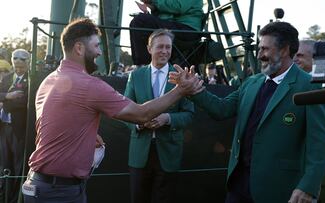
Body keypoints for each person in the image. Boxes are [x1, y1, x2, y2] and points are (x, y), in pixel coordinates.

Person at [21, 18, 198, 203]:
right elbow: (141, 114)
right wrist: (181, 90)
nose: (99, 51)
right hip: (61, 192)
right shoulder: (90, 85)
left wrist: (85, 137)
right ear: (80, 48)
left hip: (39, 185)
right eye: (96, 45)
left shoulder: (48, 80)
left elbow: (54, 126)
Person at [169, 21, 325, 203]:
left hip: (278, 188)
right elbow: (222, 109)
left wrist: (308, 187)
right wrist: (195, 91)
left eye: (265, 49)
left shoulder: (309, 86)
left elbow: (322, 142)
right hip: (239, 184)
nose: (259, 54)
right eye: (259, 48)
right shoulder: (251, 83)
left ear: (285, 50)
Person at [124, 29, 194, 203]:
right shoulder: (136, 76)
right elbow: (124, 110)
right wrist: (139, 123)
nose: (164, 51)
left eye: (168, 47)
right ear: (149, 48)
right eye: (160, 46)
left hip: (169, 154)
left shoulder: (182, 77)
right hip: (140, 154)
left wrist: (168, 119)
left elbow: (189, 114)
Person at [129, 0, 203, 65]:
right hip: (175, 26)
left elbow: (178, 7)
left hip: (187, 29)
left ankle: (143, 66)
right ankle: (146, 65)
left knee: (140, 21)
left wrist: (154, 1)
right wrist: (151, 7)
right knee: (138, 22)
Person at [0, 49, 29, 203]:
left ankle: (14, 198)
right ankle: (5, 195)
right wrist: (8, 96)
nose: (18, 68)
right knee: (5, 163)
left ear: (28, 63)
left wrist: (4, 102)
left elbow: (25, 102)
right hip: (4, 128)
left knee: (18, 166)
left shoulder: (31, 80)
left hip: (19, 130)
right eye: (16, 64)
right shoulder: (7, 78)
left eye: (21, 66)